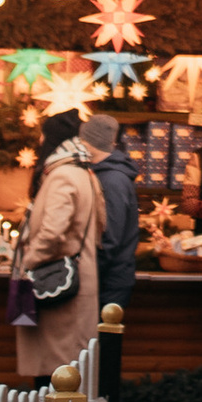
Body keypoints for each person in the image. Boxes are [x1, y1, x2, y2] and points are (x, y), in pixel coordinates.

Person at [11, 117, 104, 388]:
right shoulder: (84, 172)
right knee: (68, 373)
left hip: (58, 290)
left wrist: (28, 261)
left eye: (43, 137)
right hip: (77, 282)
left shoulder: (63, 176)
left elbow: (52, 233)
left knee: (53, 378)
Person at [81, 111, 138, 314]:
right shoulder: (105, 174)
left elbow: (109, 237)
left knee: (104, 342)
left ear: (90, 142)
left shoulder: (112, 181)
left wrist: (86, 274)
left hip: (109, 282)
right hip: (108, 278)